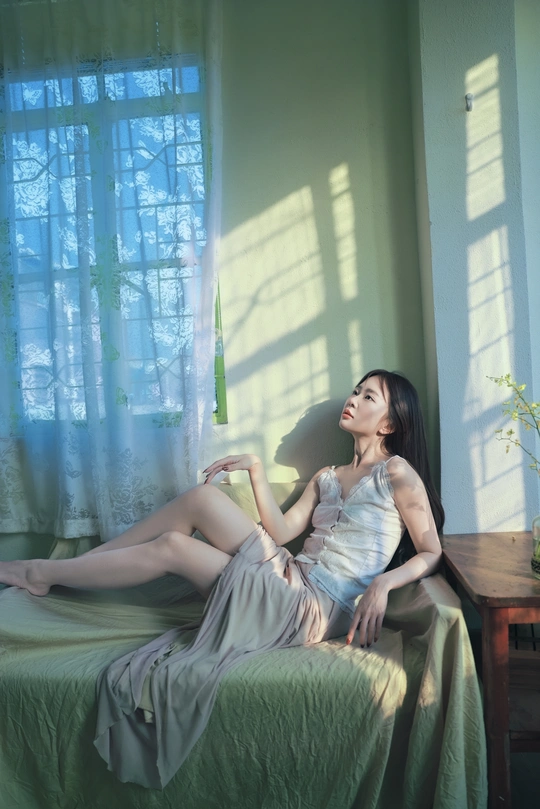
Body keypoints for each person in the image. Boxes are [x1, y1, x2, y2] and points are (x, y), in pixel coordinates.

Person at [0, 369, 445, 788]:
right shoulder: (326, 476)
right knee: (200, 499)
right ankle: (73, 567)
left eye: (369, 397)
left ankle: (41, 573)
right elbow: (280, 533)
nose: (353, 399)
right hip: (288, 577)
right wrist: (255, 469)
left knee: (173, 547)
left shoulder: (397, 473)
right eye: (356, 390)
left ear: (388, 424)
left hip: (313, 609)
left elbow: (431, 550)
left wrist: (383, 584)